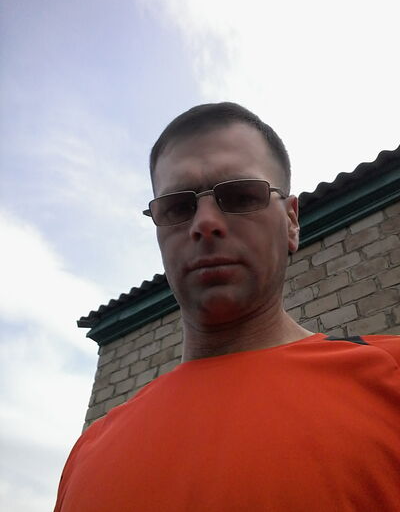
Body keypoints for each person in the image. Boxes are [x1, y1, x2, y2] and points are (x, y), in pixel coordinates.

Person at [54, 103, 400, 511]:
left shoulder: (389, 380)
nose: (204, 223)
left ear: (291, 222)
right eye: (178, 207)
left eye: (240, 196)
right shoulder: (88, 454)